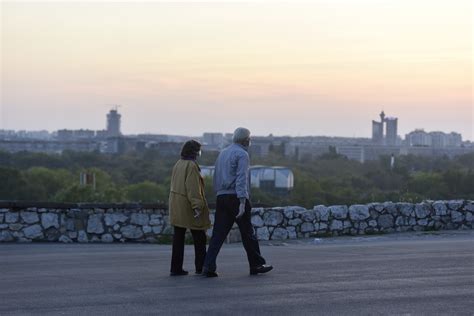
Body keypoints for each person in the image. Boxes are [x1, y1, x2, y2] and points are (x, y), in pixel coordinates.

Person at [203, 127, 273, 277]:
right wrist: (242, 201)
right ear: (246, 140)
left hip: (221, 197)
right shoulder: (242, 154)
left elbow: (216, 177)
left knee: (218, 234)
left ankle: (208, 265)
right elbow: (241, 179)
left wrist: (219, 194)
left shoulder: (223, 153)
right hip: (236, 197)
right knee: (248, 233)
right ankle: (257, 265)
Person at [169, 140, 211, 276]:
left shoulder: (178, 163)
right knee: (199, 236)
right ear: (195, 151)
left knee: (178, 237)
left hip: (176, 203)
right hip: (187, 205)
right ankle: (200, 267)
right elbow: (193, 188)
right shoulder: (191, 165)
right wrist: (197, 206)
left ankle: (175, 268)